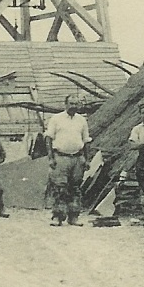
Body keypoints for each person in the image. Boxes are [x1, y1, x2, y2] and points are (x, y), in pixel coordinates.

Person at [45, 95, 92, 227]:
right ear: (65, 104)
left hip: (77, 158)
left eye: (76, 104)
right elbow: (48, 138)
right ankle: (58, 216)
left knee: (75, 188)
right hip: (61, 157)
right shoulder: (56, 119)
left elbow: (86, 140)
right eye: (71, 103)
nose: (73, 106)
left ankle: (74, 217)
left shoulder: (82, 120)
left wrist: (87, 160)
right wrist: (51, 158)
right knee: (60, 188)